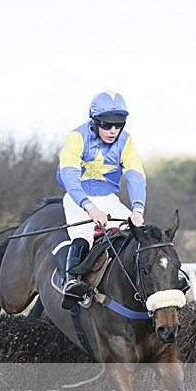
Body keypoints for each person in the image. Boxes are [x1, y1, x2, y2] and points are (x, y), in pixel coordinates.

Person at [56, 90, 146, 309]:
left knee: (137, 233)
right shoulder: (76, 138)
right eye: (107, 124)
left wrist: (137, 209)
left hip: (108, 197)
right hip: (78, 196)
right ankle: (72, 281)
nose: (113, 130)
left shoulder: (126, 141)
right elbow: (70, 178)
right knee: (83, 233)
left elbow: (135, 176)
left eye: (119, 124)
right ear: (95, 121)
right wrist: (89, 208)